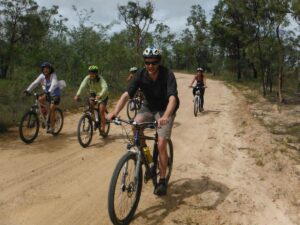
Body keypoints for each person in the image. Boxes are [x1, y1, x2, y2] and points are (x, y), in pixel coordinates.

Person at [108, 47, 179, 196]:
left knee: (161, 143)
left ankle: (162, 179)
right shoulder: (140, 74)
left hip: (165, 109)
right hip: (148, 107)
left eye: (154, 62)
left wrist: (165, 116)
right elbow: (127, 94)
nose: (150, 66)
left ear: (159, 62)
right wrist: (115, 112)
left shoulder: (168, 74)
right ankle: (150, 161)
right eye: (147, 62)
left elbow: (172, 98)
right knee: (135, 126)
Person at [24, 62, 62, 133]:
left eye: (47, 68)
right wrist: (28, 90)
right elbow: (35, 83)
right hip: (48, 93)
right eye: (44, 69)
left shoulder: (53, 76)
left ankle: (52, 127)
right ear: (42, 70)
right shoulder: (42, 76)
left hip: (55, 94)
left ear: (50, 70)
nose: (46, 70)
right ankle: (45, 116)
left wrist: (49, 91)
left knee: (52, 108)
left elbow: (54, 84)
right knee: (39, 100)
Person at [74, 65, 109, 134]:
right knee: (90, 104)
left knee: (101, 110)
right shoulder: (87, 78)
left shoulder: (101, 79)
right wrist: (77, 95)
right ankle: (94, 118)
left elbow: (105, 88)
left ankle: (103, 129)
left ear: (96, 73)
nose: (91, 74)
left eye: (93, 73)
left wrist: (100, 95)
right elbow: (82, 86)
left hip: (103, 95)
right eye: (90, 73)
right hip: (93, 93)